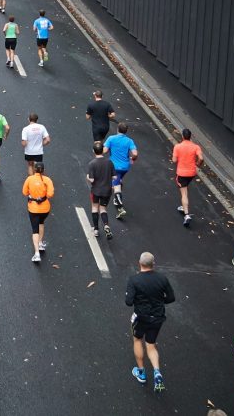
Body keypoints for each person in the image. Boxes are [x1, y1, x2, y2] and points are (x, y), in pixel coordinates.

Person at [125, 251, 176, 392]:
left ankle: (141, 373)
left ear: (139, 263)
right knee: (151, 345)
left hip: (141, 317)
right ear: (153, 264)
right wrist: (160, 301)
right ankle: (157, 372)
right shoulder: (162, 279)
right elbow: (171, 298)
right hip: (157, 317)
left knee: (137, 340)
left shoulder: (134, 280)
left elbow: (128, 302)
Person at [103, 123, 138, 219]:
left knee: (116, 186)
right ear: (126, 131)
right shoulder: (129, 141)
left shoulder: (111, 138)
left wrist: (97, 149)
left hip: (114, 167)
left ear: (118, 129)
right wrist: (132, 158)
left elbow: (104, 151)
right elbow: (135, 153)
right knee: (118, 181)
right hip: (125, 167)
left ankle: (120, 207)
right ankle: (116, 198)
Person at [22, 162, 55, 263]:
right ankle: (40, 243)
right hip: (45, 208)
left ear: (35, 169)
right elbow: (50, 194)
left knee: (35, 229)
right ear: (43, 170)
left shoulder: (29, 179)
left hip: (33, 208)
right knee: (41, 223)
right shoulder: (47, 180)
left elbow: (24, 192)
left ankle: (37, 253)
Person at [171, 128, 204, 228]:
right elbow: (201, 158)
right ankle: (183, 207)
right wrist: (198, 163)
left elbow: (174, 160)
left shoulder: (178, 146)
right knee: (185, 189)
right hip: (192, 173)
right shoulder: (196, 147)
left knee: (184, 193)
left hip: (181, 174)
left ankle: (186, 214)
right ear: (190, 136)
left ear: (182, 136)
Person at [87, 141, 116, 239]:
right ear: (103, 150)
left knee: (95, 208)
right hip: (107, 191)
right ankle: (106, 225)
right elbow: (115, 177)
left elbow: (91, 179)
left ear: (93, 151)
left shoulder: (92, 164)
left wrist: (87, 177)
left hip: (96, 190)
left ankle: (96, 229)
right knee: (103, 209)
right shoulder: (109, 162)